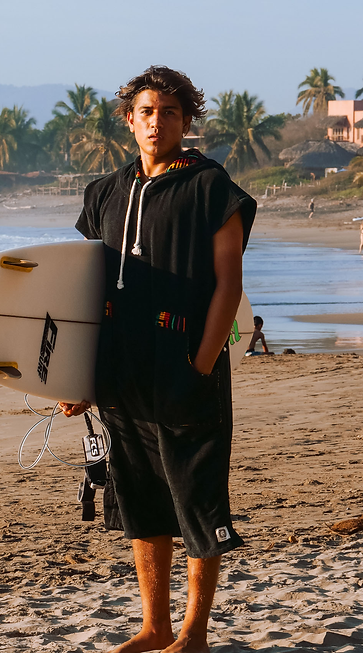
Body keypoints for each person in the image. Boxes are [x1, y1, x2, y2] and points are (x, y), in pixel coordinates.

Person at [61, 65, 256, 653]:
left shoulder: (209, 185)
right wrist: (77, 375)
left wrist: (200, 364)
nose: (157, 122)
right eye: (146, 111)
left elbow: (228, 284)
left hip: (184, 368)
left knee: (195, 502)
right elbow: (85, 290)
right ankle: (155, 627)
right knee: (141, 502)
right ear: (129, 120)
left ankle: (193, 633)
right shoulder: (106, 193)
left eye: (169, 112)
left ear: (186, 121)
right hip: (121, 375)